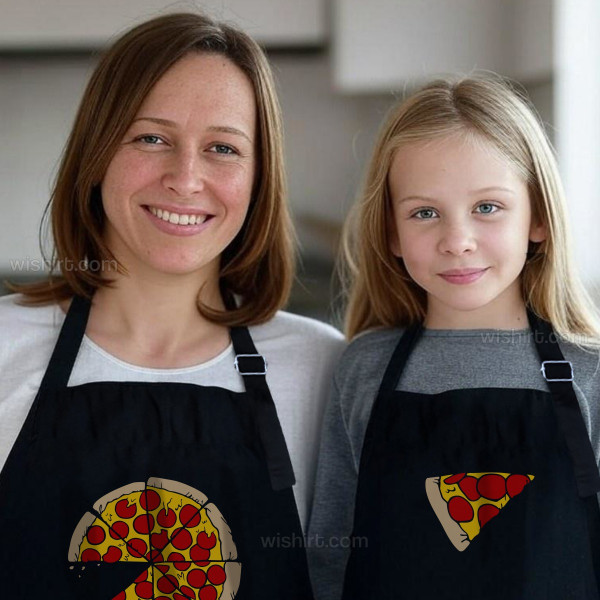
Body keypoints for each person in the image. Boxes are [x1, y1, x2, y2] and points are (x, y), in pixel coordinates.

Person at [0, 12, 344, 599]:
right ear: (97, 151)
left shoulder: (324, 370)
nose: (186, 179)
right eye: (151, 138)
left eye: (222, 148)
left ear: (260, 176)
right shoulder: (4, 346)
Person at [307, 74, 600, 600]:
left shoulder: (591, 373)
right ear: (391, 232)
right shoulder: (364, 369)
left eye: (487, 207)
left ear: (536, 217)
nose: (457, 241)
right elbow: (330, 557)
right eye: (425, 213)